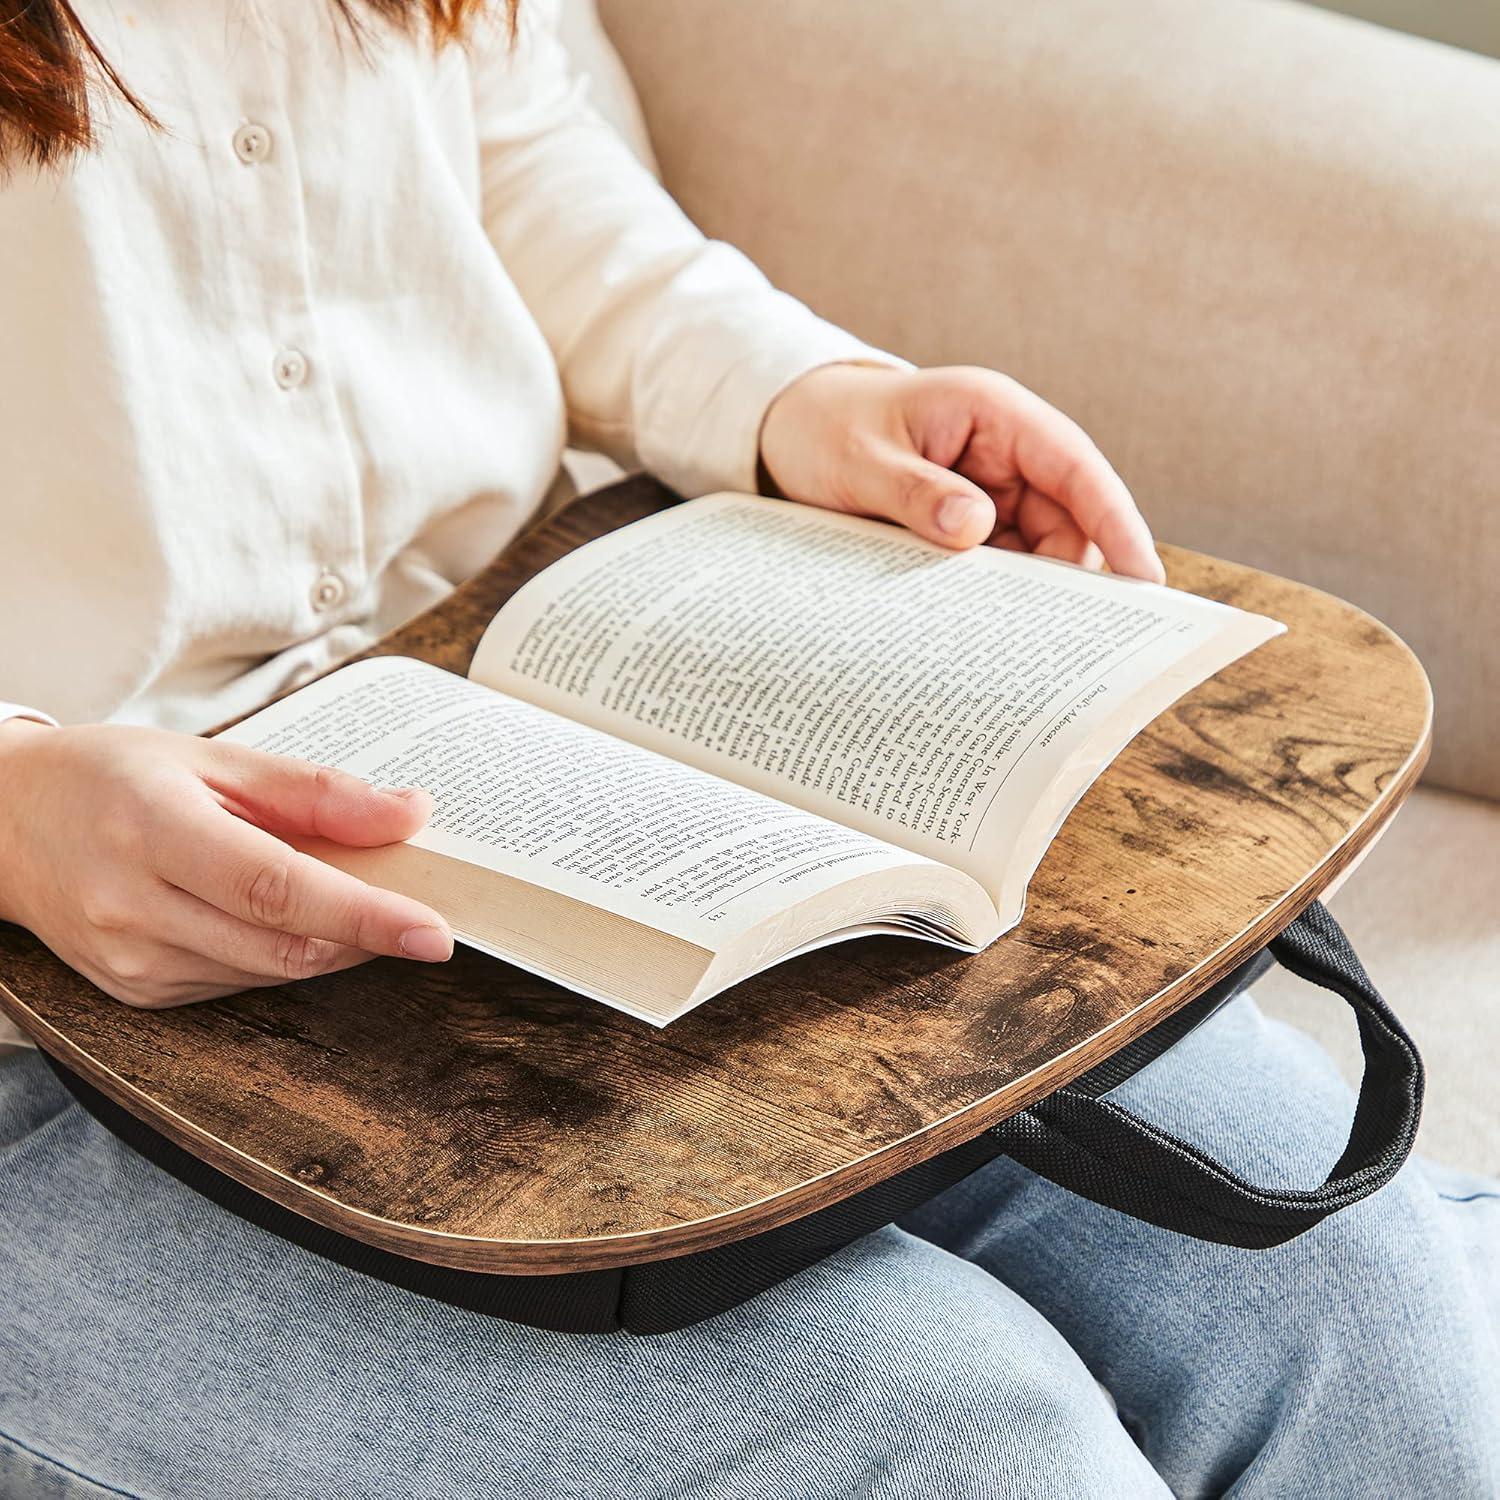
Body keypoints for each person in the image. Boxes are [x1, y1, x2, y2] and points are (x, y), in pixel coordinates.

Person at [0, 3, 1494, 1496]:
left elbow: (520, 166)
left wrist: (800, 397)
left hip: (518, 765)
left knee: (1352, 1299)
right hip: (51, 1029)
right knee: (967, 1453)